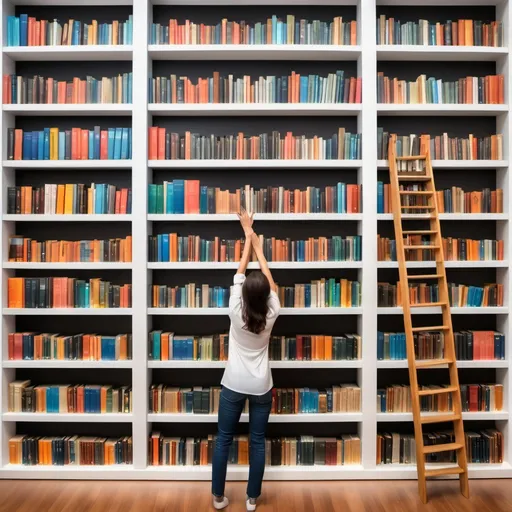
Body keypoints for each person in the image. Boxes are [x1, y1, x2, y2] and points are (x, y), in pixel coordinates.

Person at [212, 208, 280, 511]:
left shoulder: (234, 311)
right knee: (256, 441)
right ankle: (252, 499)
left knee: (223, 439)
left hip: (233, 383)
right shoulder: (272, 313)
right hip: (261, 385)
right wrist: (260, 250)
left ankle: (218, 497)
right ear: (265, 297)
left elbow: (238, 274)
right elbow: (271, 283)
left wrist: (246, 238)